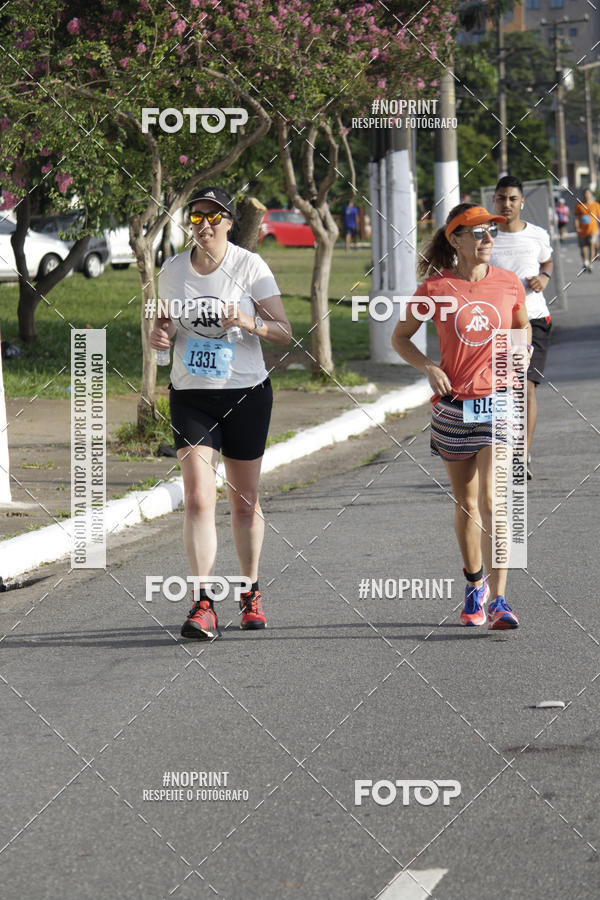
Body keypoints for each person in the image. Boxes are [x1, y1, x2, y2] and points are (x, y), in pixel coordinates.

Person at [150, 186, 292, 640]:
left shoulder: (250, 266)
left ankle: (250, 592)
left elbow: (284, 332)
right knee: (197, 497)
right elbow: (163, 325)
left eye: (214, 218)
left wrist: (248, 321)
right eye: (196, 218)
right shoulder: (171, 271)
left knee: (244, 502)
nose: (205, 226)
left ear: (230, 223)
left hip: (246, 393)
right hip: (191, 395)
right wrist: (159, 337)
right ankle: (203, 602)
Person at [391, 203, 531, 630]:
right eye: (478, 232)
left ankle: (500, 599)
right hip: (453, 407)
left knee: (494, 500)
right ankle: (474, 584)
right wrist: (429, 368)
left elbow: (523, 325)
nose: (488, 239)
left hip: (499, 400)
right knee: (466, 503)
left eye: (492, 231)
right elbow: (399, 338)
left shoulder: (509, 283)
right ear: (455, 240)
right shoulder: (435, 289)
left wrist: (521, 349)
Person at [489, 175, 553, 478]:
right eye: (502, 198)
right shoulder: (486, 239)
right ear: (494, 201)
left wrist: (544, 279)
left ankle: (522, 455)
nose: (507, 204)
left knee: (526, 387)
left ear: (522, 202)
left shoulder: (537, 235)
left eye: (513, 199)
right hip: (497, 324)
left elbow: (547, 262)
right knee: (503, 391)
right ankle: (501, 448)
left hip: (534, 320)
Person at [574, 188, 600, 271]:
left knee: (592, 245)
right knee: (583, 247)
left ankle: (591, 264)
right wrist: (577, 227)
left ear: (591, 195)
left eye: (588, 193)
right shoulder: (579, 205)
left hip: (593, 229)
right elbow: (577, 217)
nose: (587, 195)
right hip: (582, 230)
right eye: (585, 194)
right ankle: (585, 261)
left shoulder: (596, 205)